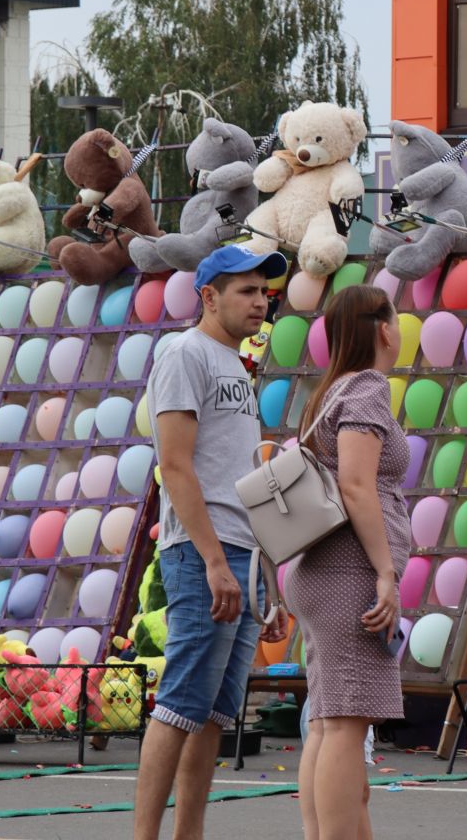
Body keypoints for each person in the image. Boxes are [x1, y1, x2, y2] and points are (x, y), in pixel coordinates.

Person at [134, 244, 291, 840]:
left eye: (264, 291)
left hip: (240, 555)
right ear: (208, 296)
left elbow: (241, 477)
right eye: (247, 291)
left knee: (215, 715)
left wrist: (266, 579)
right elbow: (174, 467)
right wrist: (215, 561)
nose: (261, 301)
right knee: (180, 703)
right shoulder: (184, 352)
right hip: (205, 553)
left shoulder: (236, 365)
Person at [289, 284, 414, 840]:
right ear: (383, 329)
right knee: (343, 724)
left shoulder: (330, 392)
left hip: (318, 571)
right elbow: (358, 485)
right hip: (348, 574)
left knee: (327, 720)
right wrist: (386, 572)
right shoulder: (367, 389)